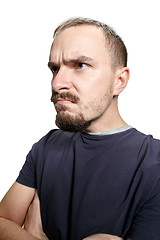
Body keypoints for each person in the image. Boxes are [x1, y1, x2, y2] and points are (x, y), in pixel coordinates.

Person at [0, 17, 160, 240]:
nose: (57, 83)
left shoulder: (154, 160)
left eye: (80, 65)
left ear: (119, 81)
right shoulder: (47, 146)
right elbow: (3, 221)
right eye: (55, 68)